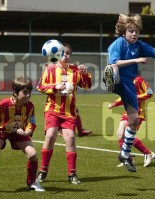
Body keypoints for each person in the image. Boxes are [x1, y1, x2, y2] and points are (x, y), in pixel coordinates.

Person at [104, 13, 155, 172]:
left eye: (136, 31)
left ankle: (124, 154)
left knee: (134, 120)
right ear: (123, 32)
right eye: (131, 31)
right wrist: (135, 60)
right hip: (120, 79)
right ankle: (111, 80)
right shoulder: (118, 44)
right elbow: (115, 62)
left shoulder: (140, 45)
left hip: (129, 84)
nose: (134, 34)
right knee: (113, 69)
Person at [0, 76, 45, 194]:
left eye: (30, 92)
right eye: (25, 92)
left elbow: (31, 123)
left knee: (33, 154)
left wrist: (26, 132)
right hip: (1, 131)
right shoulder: (3, 104)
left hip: (18, 133)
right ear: (15, 93)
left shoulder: (30, 106)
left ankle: (32, 182)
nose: (28, 95)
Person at [36, 42, 92, 184]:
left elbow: (87, 86)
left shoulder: (75, 70)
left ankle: (72, 174)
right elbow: (40, 86)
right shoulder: (49, 69)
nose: (65, 56)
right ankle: (43, 171)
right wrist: (55, 87)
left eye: (68, 53)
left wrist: (85, 74)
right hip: (52, 109)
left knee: (71, 138)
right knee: (50, 135)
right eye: (63, 53)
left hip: (69, 112)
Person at [109, 75, 155, 167]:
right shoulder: (125, 81)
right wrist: (114, 103)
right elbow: (125, 97)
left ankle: (148, 153)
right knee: (119, 134)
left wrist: (135, 97)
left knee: (128, 134)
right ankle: (128, 159)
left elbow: (149, 93)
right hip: (127, 111)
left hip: (137, 112)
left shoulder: (139, 79)